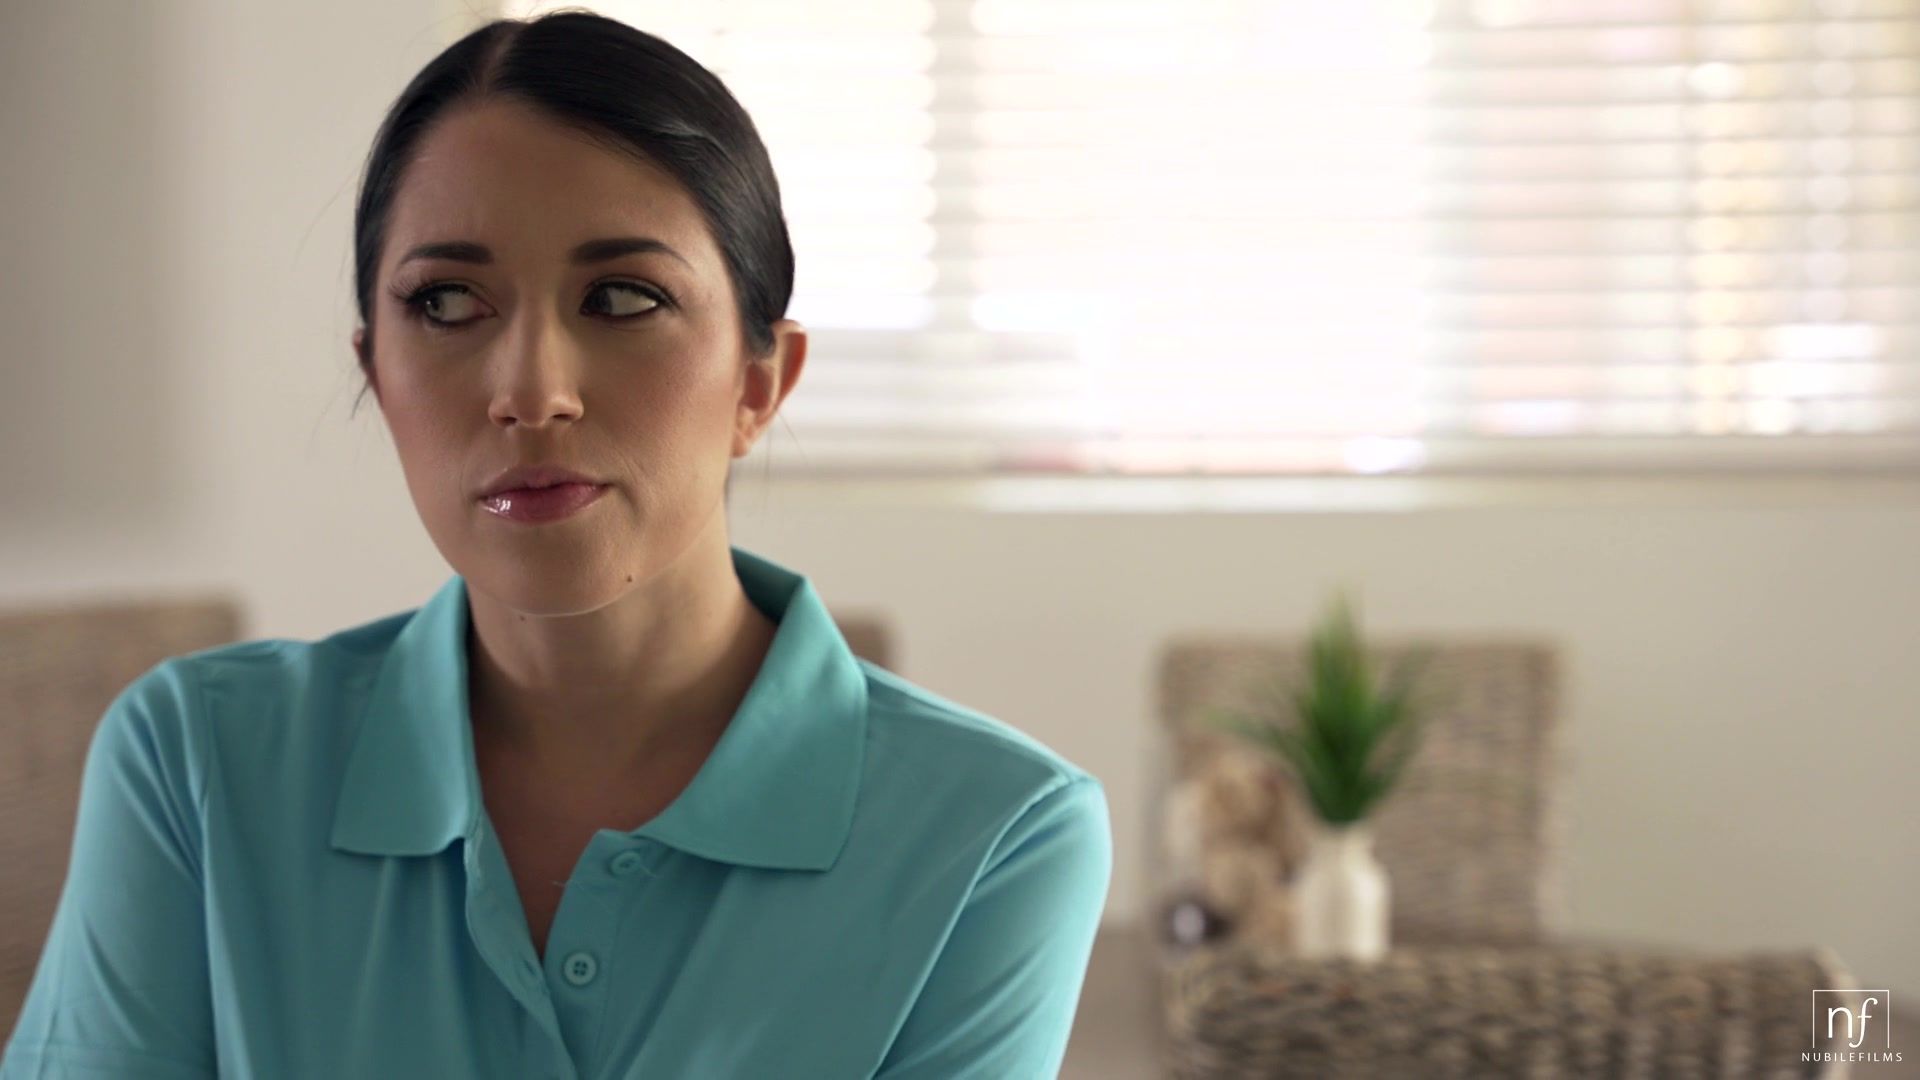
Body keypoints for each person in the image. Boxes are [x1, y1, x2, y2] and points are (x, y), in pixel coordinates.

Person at [1, 10, 1111, 1079]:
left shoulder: (997, 838)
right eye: (447, 303)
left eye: (621, 298)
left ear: (759, 383)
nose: (531, 392)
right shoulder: (196, 768)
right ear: (375, 373)